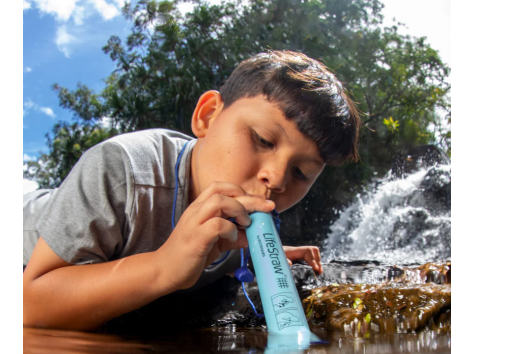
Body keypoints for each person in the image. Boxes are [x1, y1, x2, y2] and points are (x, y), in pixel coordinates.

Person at [23, 50, 361, 331]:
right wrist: (162, 267)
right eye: (262, 139)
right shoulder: (123, 171)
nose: (276, 178)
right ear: (208, 116)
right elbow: (29, 307)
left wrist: (265, 254)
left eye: (301, 173)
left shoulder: (246, 212)